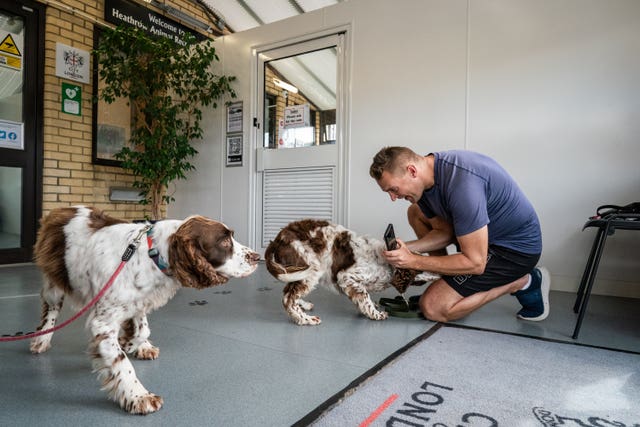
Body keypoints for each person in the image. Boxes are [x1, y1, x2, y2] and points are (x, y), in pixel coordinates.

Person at [369, 146, 550, 322]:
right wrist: (407, 248)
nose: (393, 198)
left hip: (514, 251)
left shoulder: (462, 187)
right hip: (482, 239)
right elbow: (444, 233)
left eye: (393, 189)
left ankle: (522, 280)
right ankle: (449, 281)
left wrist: (414, 261)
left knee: (433, 307)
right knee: (415, 211)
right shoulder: (427, 179)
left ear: (412, 171)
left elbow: (475, 262)